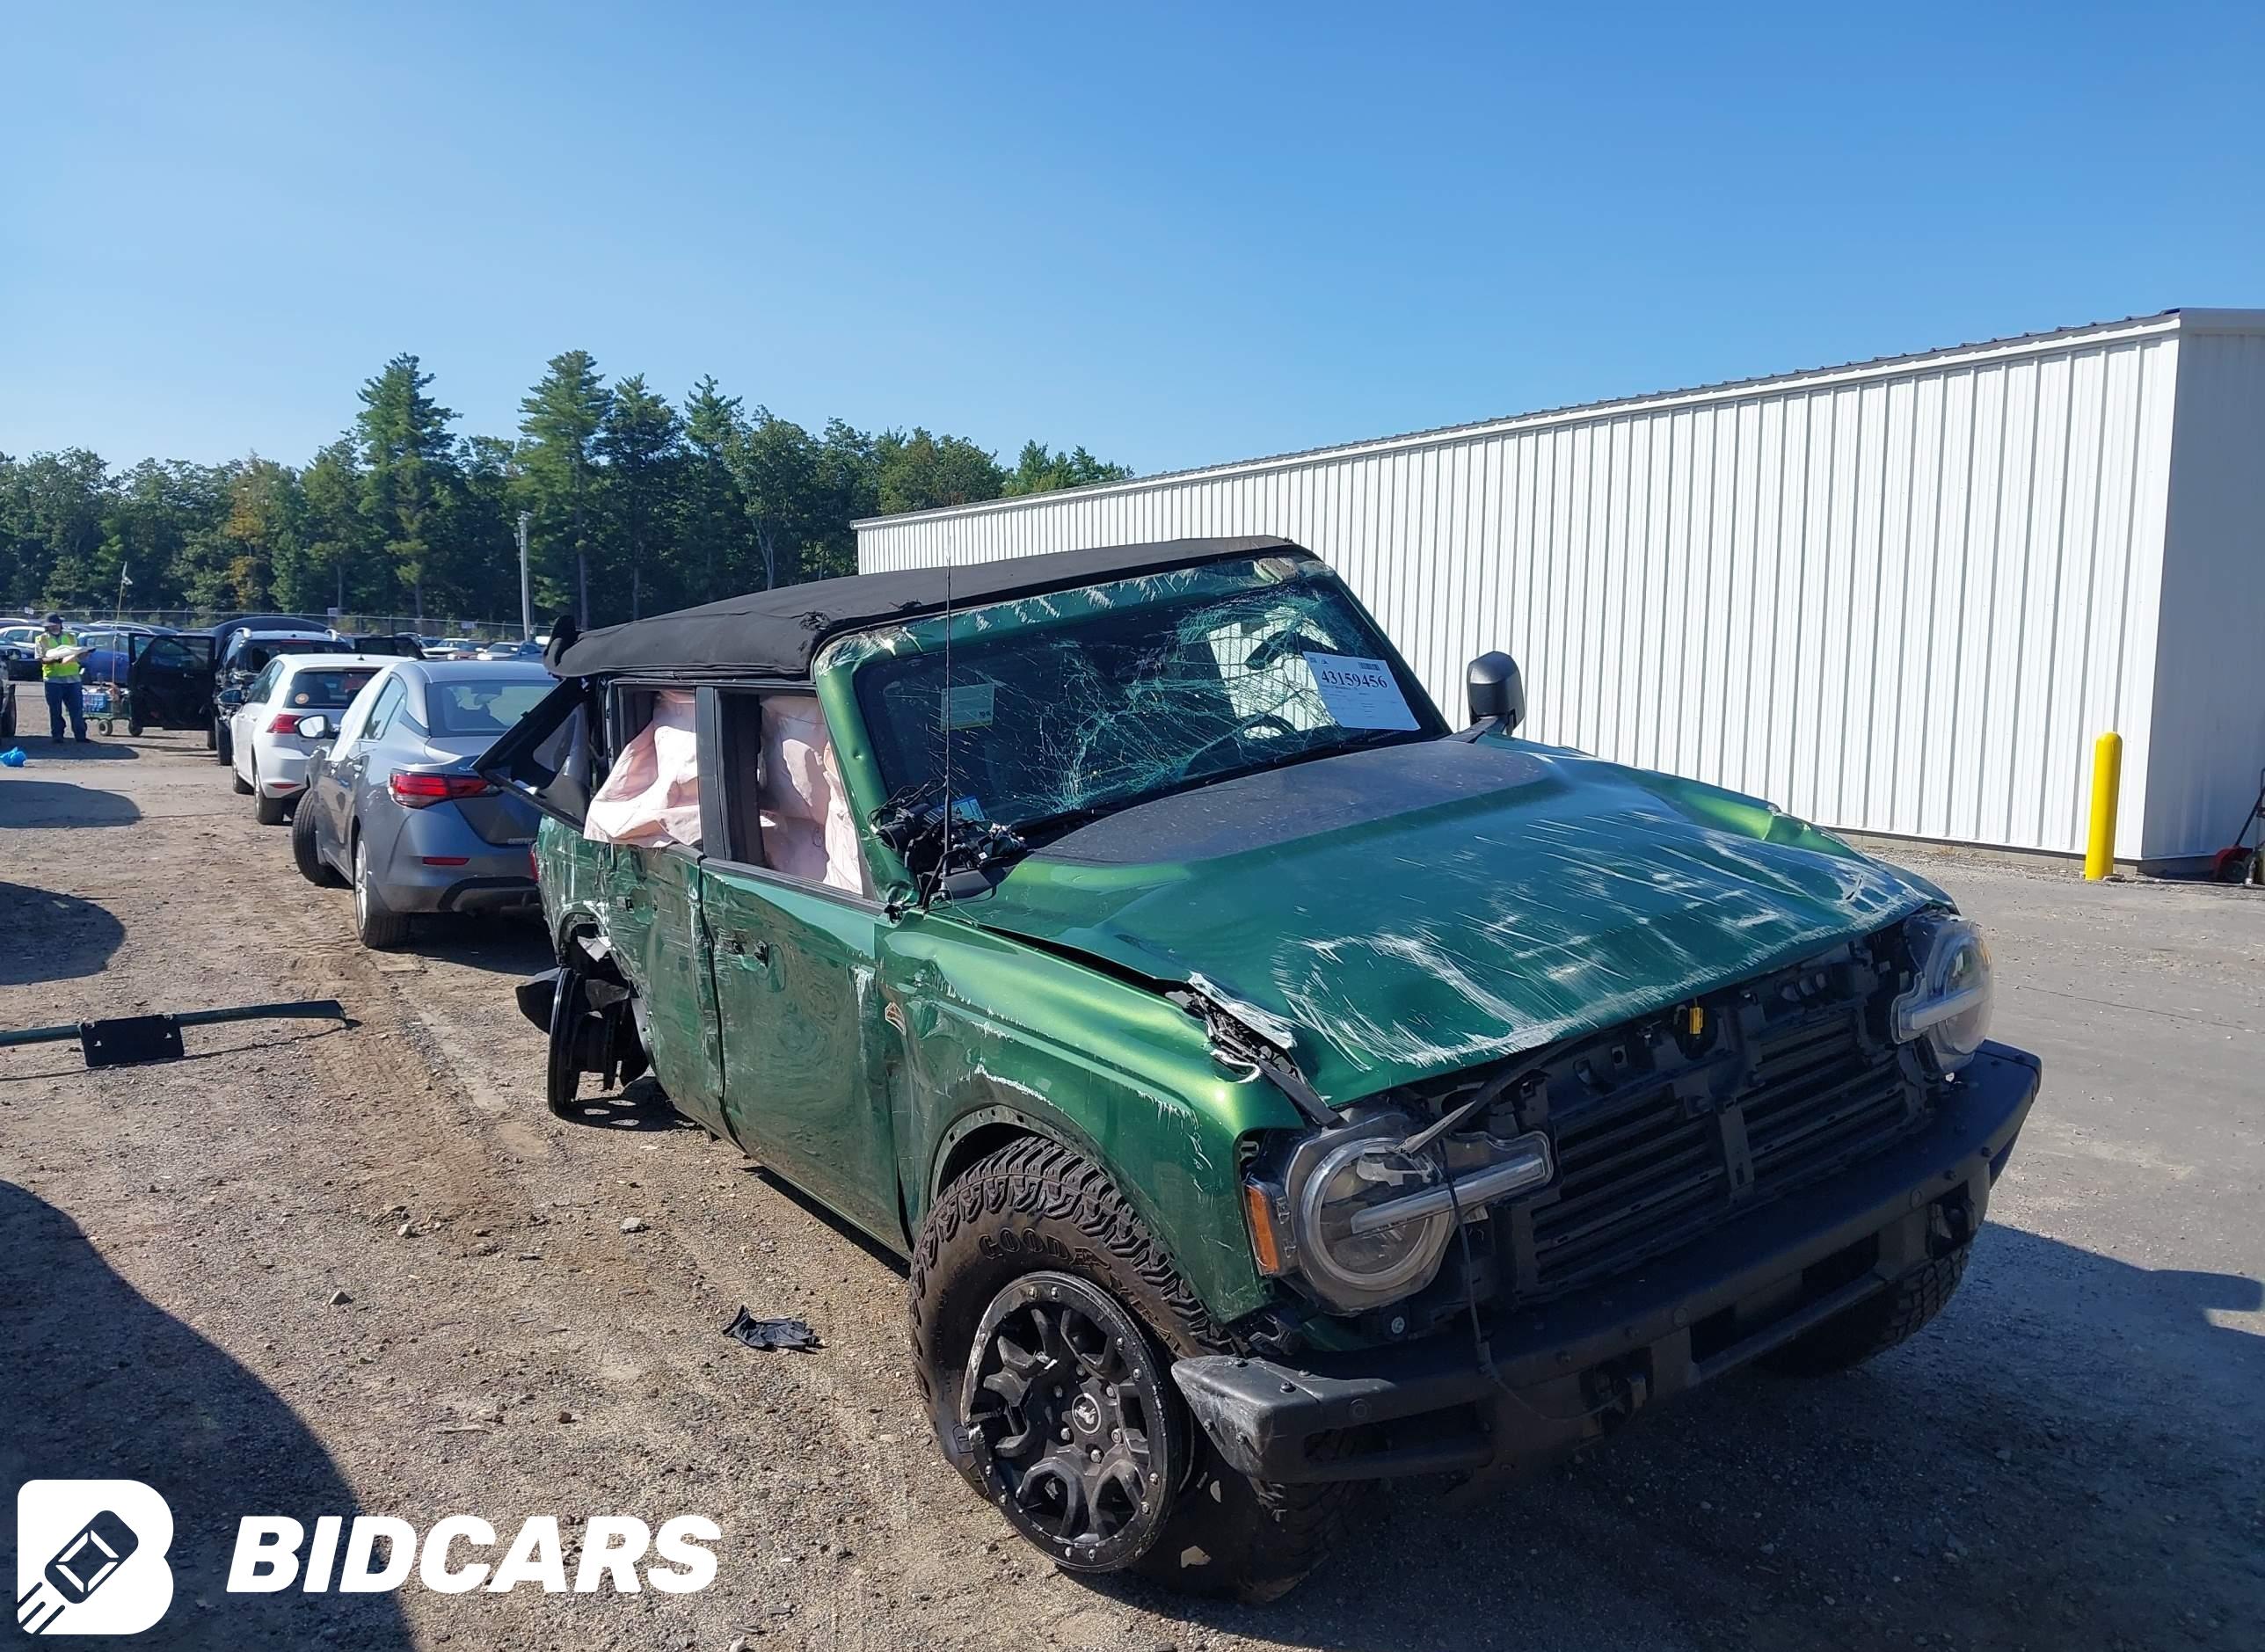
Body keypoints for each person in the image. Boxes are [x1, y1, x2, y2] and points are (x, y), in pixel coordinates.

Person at [33, 613, 91, 743]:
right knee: (55, 710)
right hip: (53, 679)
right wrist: (55, 659)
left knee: (76, 710)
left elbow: (76, 655)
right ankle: (57, 736)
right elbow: (41, 659)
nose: (54, 627)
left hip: (73, 679)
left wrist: (84, 654)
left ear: (60, 624)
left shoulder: (71, 636)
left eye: (55, 624)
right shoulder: (41, 639)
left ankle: (80, 736)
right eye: (51, 625)